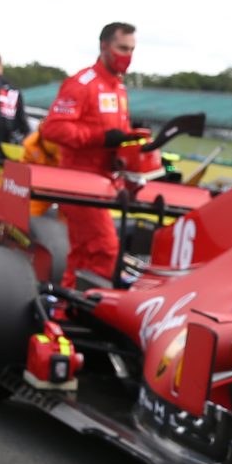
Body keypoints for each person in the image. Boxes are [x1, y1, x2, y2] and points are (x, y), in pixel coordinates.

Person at [33, 22, 150, 286]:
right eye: (122, 48)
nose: (127, 55)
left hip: (104, 182)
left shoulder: (118, 89)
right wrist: (100, 137)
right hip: (78, 182)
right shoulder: (82, 83)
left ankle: (66, 303)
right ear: (104, 46)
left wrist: (131, 140)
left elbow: (116, 134)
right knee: (104, 249)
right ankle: (89, 304)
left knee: (82, 252)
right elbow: (53, 128)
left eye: (131, 49)